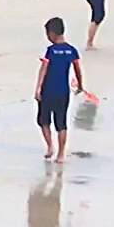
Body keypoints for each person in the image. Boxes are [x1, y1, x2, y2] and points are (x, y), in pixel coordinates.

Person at [33, 16, 83, 162]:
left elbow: (43, 69)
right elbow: (77, 69)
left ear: (51, 33)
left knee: (44, 120)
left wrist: (38, 88)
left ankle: (50, 146)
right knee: (61, 122)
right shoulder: (71, 50)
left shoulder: (50, 51)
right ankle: (61, 154)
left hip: (48, 90)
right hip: (63, 91)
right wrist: (80, 85)